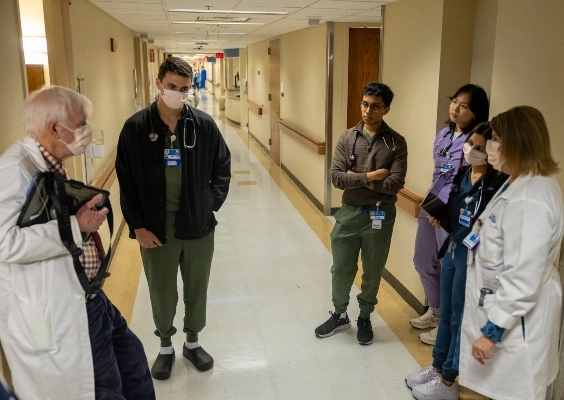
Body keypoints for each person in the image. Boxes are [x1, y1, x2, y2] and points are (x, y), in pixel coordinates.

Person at [0, 86, 155, 399]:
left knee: (132, 361)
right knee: (105, 386)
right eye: (81, 124)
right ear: (55, 128)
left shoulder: (48, 162)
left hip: (87, 295)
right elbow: (4, 243)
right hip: (54, 308)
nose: (86, 131)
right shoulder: (14, 171)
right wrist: (76, 225)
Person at [116, 57, 231, 380]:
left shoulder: (203, 125)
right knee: (162, 290)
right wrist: (137, 225)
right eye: (171, 87)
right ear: (158, 84)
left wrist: (209, 204)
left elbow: (222, 166)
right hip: (155, 226)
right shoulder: (137, 128)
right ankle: (165, 345)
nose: (178, 94)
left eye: (184, 89)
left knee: (197, 286)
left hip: (197, 223)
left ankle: (192, 342)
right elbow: (126, 181)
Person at [458, 106, 563, 400]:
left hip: (516, 322)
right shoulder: (519, 181)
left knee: (514, 391)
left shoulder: (531, 199)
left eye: (496, 140)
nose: (489, 146)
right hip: (502, 307)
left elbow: (523, 276)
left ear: (517, 144)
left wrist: (492, 332)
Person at [406, 123, 508, 399]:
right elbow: (456, 212)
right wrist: (442, 218)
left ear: (491, 152)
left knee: (460, 318)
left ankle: (449, 379)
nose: (470, 150)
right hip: (453, 248)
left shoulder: (496, 185)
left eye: (478, 147)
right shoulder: (462, 173)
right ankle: (438, 365)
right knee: (448, 314)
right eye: (469, 144)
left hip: (473, 257)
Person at [315, 82, 408, 345]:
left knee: (372, 270)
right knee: (341, 268)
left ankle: (365, 316)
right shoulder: (347, 138)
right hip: (349, 213)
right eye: (365, 104)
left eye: (375, 106)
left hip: (380, 215)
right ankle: (339, 314)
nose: (368, 110)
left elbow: (395, 184)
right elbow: (336, 177)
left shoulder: (395, 143)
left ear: (386, 109)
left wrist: (357, 178)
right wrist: (373, 176)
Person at [410, 84, 489, 345]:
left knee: (448, 266)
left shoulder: (474, 142)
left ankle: (446, 323)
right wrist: (432, 206)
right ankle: (435, 311)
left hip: (453, 212)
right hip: (431, 203)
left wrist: (445, 213)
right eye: (455, 101)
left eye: (464, 105)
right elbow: (439, 174)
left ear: (475, 113)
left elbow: (469, 180)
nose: (456, 108)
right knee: (422, 260)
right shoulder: (444, 134)